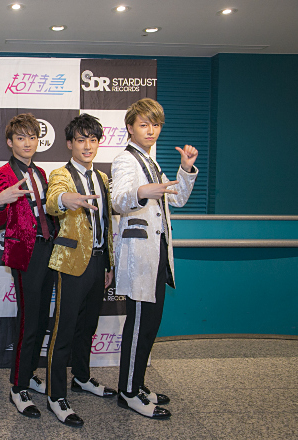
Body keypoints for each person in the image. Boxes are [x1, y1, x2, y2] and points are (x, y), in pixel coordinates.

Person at [112, 98, 198, 419]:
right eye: (144, 124)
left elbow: (178, 199)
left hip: (158, 253)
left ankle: (137, 383)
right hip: (138, 256)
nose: (151, 130)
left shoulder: (152, 161)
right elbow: (118, 200)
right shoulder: (125, 160)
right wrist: (142, 192)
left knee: (150, 325)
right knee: (138, 326)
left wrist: (185, 170)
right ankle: (128, 392)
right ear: (130, 128)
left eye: (156, 124)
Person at [44, 113, 115, 426]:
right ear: (69, 143)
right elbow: (52, 201)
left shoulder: (102, 178)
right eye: (81, 139)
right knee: (64, 330)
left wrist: (109, 264)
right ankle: (55, 395)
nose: (88, 146)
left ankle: (82, 378)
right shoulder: (61, 174)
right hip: (72, 263)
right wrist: (65, 199)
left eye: (93, 139)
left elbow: (107, 224)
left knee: (88, 327)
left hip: (99, 263)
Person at [0, 113, 57, 418]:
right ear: (9, 142)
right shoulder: (2, 174)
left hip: (49, 249)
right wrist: (0, 201)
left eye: (32, 137)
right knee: (28, 320)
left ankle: (28, 373)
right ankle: (18, 386)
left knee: (42, 318)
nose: (27, 143)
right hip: (26, 254)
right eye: (20, 138)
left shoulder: (41, 172)